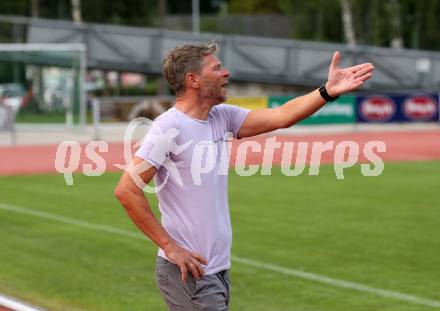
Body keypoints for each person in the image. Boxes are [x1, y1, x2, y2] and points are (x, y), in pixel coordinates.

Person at [115, 41, 374, 311]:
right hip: (189, 274)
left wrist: (327, 91)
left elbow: (281, 115)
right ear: (193, 80)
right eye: (217, 68)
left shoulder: (221, 117)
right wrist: (169, 246)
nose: (226, 73)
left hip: (216, 270)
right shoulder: (169, 127)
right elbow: (126, 189)